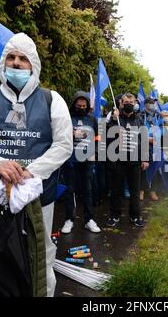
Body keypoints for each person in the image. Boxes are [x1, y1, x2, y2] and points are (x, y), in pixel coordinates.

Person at [0, 33, 73, 297]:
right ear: (3, 63)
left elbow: (63, 145)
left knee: (41, 255)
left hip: (38, 198)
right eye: (11, 57)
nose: (16, 63)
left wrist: (32, 172)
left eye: (23, 58)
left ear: (33, 64)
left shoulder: (51, 100)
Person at [106, 93, 149, 227]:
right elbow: (106, 137)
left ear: (135, 103)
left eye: (131, 102)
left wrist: (145, 159)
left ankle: (135, 216)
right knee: (116, 190)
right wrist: (113, 123)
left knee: (135, 191)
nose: (129, 104)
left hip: (135, 162)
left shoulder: (139, 120)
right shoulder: (116, 119)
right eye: (126, 102)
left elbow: (144, 141)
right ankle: (114, 216)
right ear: (121, 103)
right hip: (118, 161)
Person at [60, 91, 101, 234]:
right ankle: (69, 219)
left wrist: (95, 152)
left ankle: (89, 219)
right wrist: (69, 133)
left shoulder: (92, 119)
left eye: (84, 105)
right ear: (74, 105)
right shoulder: (67, 118)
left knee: (88, 190)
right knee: (70, 190)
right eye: (79, 105)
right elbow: (59, 135)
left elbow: (97, 137)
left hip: (87, 160)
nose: (81, 107)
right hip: (70, 159)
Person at [139, 97, 161, 201]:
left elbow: (163, 128)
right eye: (150, 103)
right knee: (143, 168)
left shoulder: (158, 115)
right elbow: (138, 128)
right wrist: (146, 138)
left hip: (156, 145)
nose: (152, 105)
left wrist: (157, 137)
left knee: (155, 169)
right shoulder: (140, 115)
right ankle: (141, 191)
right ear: (145, 104)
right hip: (144, 145)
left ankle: (153, 191)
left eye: (153, 103)